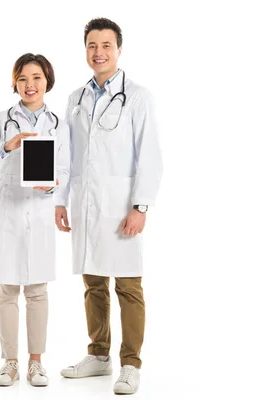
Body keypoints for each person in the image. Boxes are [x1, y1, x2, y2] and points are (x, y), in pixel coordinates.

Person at [54, 18, 163, 395]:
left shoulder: (138, 96)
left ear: (119, 49)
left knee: (129, 285)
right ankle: (99, 356)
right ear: (85, 50)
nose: (98, 52)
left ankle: (130, 364)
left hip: (121, 205)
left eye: (106, 45)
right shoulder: (75, 99)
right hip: (86, 202)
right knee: (92, 282)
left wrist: (141, 206)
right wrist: (60, 199)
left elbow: (149, 156)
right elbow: (66, 156)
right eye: (91, 46)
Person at [0, 53, 70, 387]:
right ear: (15, 83)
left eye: (37, 77)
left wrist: (53, 182)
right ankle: (10, 362)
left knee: (38, 291)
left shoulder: (58, 124)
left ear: (47, 81)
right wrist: (6, 145)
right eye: (23, 78)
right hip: (8, 214)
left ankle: (36, 363)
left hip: (39, 213)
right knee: (7, 290)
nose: (30, 85)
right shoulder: (1, 120)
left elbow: (67, 169)